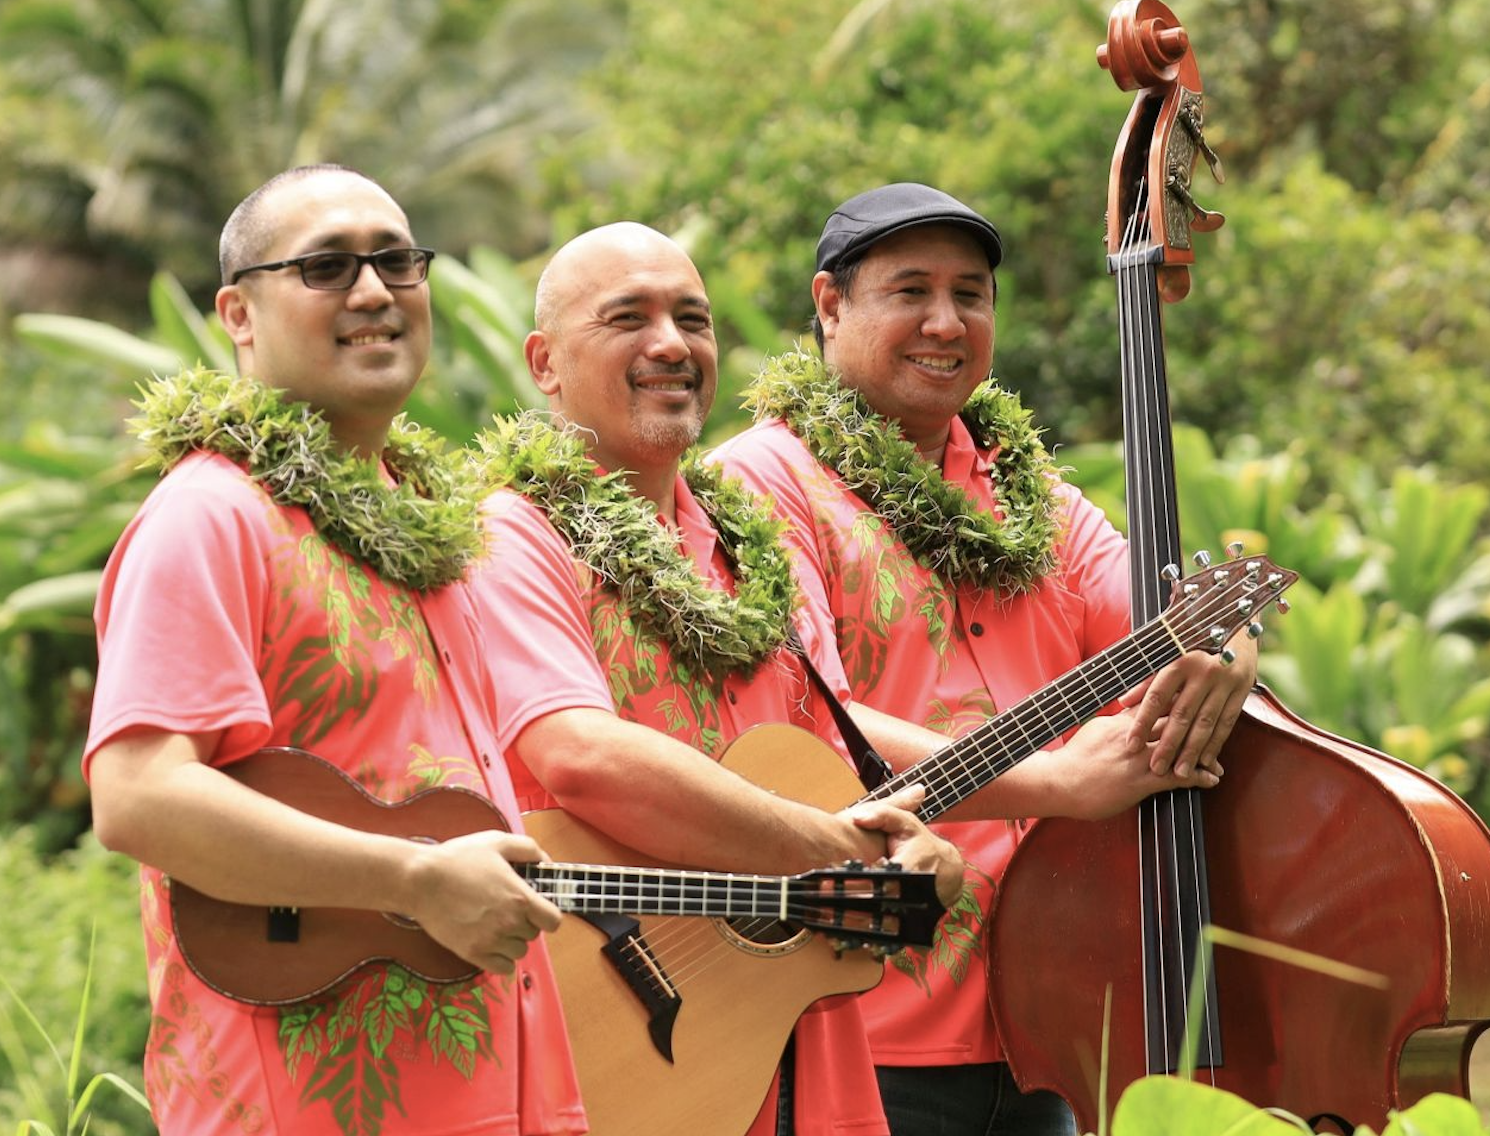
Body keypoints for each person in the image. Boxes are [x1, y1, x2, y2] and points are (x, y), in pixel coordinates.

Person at [710, 182, 1256, 1136]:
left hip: (1053, 1008)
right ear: (830, 305)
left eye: (971, 294)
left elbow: (1170, 619)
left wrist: (1230, 642)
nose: (945, 321)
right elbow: (803, 718)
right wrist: (1058, 782)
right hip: (858, 1011)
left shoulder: (1029, 488)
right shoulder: (761, 479)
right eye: (909, 290)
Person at [83, 164, 586, 1136]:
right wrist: (410, 881)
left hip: (496, 1091)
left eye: (396, 261)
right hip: (308, 1103)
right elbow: (138, 792)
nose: (372, 290)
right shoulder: (212, 513)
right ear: (237, 312)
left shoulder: (431, 529)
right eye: (325, 266)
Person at [467, 221, 968, 1136]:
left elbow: (833, 755)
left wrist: (904, 847)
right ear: (544, 363)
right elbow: (578, 752)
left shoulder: (750, 542)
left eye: (691, 318)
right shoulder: (516, 534)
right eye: (629, 317)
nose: (671, 343)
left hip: (783, 1028)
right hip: (619, 1019)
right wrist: (834, 854)